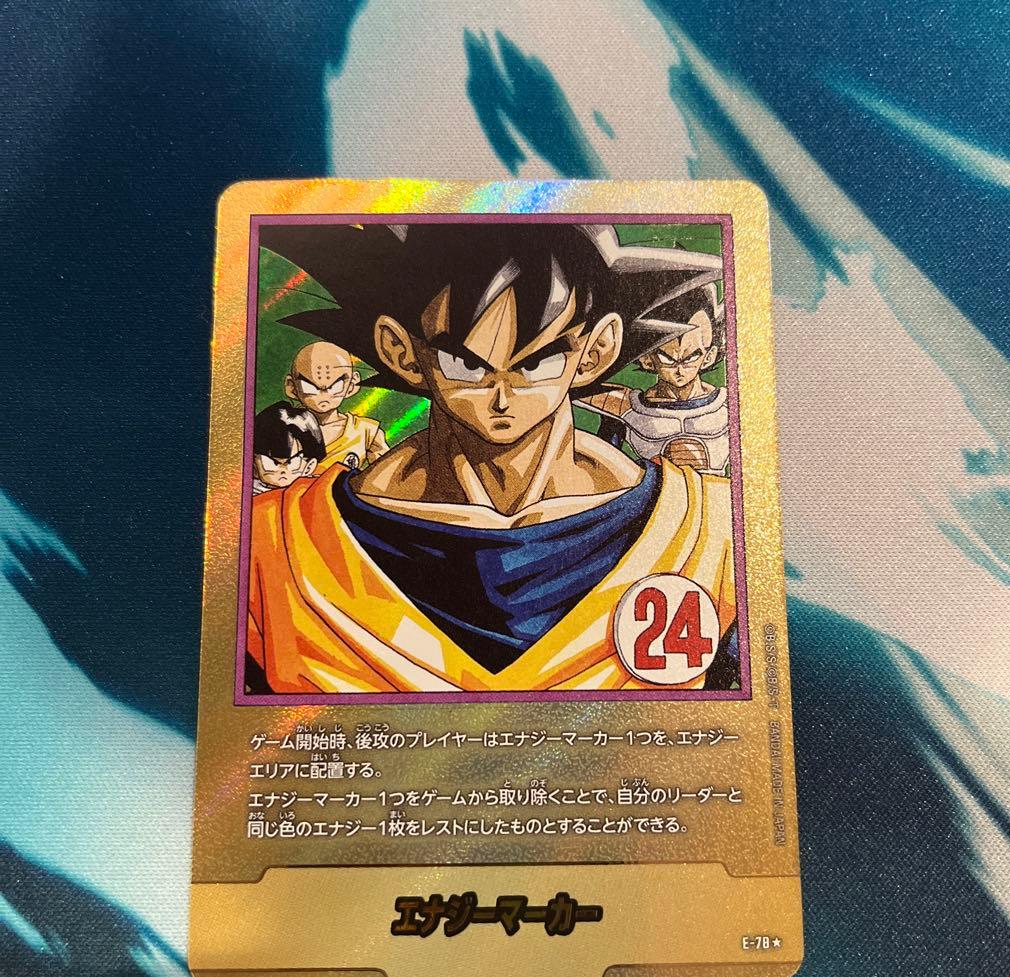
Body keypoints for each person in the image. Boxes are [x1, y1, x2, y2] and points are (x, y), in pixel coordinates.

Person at [246, 222, 736, 692]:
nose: (502, 396)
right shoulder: (286, 542)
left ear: (595, 351)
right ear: (401, 352)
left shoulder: (703, 529)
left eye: (538, 362)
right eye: (465, 364)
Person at [576, 284, 729, 474]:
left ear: (709, 356)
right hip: (657, 488)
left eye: (691, 357)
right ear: (647, 359)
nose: (679, 369)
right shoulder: (626, 407)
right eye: (668, 359)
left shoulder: (727, 404)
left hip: (716, 489)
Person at [285, 340, 389, 472]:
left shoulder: (366, 431)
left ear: (352, 385)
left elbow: (385, 475)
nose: (323, 395)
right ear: (292, 387)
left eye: (335, 386)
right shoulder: (285, 428)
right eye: (309, 387)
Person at [251, 400, 325, 495]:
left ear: (309, 467)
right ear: (254, 465)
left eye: (291, 462)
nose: (282, 470)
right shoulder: (246, 492)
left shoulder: (315, 490)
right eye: (272, 463)